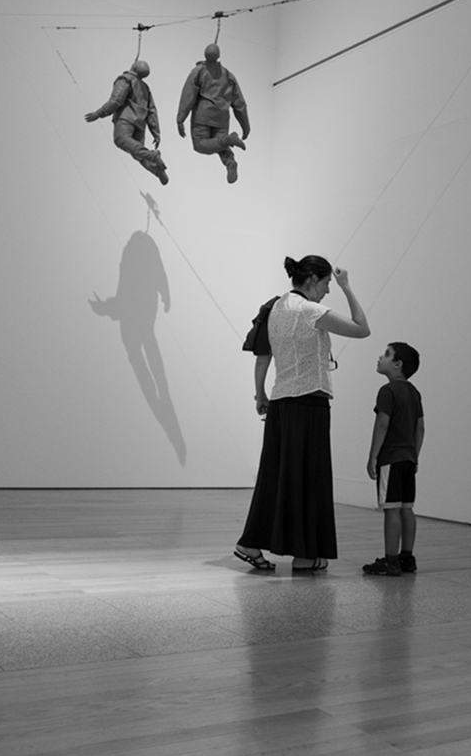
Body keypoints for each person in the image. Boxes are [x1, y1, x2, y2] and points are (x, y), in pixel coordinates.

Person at [235, 255, 370, 573]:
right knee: (309, 479)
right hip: (308, 403)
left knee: (275, 478)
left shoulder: (275, 307)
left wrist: (260, 394)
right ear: (312, 280)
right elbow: (362, 329)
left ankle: (251, 542)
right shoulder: (310, 311)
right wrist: (347, 287)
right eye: (326, 284)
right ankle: (305, 556)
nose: (327, 290)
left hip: (281, 403)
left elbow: (262, 357)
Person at [362, 342, 424, 576]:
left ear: (398, 364)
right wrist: (415, 455)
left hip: (390, 458)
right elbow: (420, 428)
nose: (380, 357)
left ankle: (391, 561)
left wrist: (373, 456)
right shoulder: (414, 392)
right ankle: (407, 558)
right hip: (408, 458)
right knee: (407, 508)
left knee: (391, 509)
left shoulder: (387, 391)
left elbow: (382, 424)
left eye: (386, 354)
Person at [85, 60, 169, 185]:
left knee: (121, 139)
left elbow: (116, 101)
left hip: (126, 119)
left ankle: (153, 157)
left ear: (134, 67)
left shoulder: (125, 80)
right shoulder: (146, 88)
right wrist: (156, 133)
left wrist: (99, 113)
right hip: (140, 125)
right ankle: (157, 169)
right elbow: (152, 111)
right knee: (137, 152)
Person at [176, 43, 250, 184]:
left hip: (203, 117)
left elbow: (188, 95)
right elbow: (239, 103)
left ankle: (228, 140)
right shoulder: (228, 75)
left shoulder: (198, 71)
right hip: (222, 119)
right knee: (220, 146)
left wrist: (180, 119)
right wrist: (245, 126)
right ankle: (230, 161)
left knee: (200, 145)